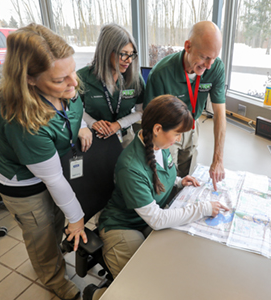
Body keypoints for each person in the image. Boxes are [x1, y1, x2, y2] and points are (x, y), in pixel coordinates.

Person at [83, 95, 229, 300]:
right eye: (177, 134)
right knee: (141, 287)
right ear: (158, 129)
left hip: (145, 218)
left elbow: (161, 176)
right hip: (122, 226)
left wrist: (179, 181)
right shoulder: (131, 166)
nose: (178, 139)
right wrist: (203, 208)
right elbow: (157, 220)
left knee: (169, 268)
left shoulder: (158, 146)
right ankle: (98, 295)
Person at [0, 23, 91, 300]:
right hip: (18, 179)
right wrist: (76, 219)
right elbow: (53, 179)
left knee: (56, 217)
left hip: (46, 167)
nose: (74, 83)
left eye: (72, 71)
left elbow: (74, 111)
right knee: (40, 231)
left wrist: (80, 126)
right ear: (29, 79)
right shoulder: (23, 119)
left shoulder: (65, 85)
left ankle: (57, 246)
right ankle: (54, 279)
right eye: (60, 80)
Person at [143, 20, 227, 191]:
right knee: (167, 181)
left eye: (214, 58)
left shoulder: (215, 68)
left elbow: (220, 114)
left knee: (188, 177)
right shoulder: (161, 73)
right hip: (168, 131)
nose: (209, 65)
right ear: (188, 46)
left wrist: (218, 159)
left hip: (192, 126)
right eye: (204, 57)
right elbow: (149, 120)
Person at [77, 23, 145, 148]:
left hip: (125, 136)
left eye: (131, 54)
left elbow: (141, 111)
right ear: (107, 51)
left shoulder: (135, 78)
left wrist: (118, 124)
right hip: (94, 137)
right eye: (124, 53)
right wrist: (93, 123)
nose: (129, 60)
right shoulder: (82, 77)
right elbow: (74, 110)